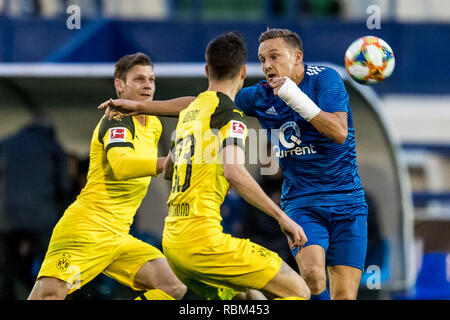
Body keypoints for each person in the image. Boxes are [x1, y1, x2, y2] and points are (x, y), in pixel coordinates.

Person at [98, 28, 368, 300]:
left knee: (343, 294)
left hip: (348, 200)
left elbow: (338, 132)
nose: (267, 66)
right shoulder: (260, 95)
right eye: (262, 60)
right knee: (310, 276)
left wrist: (294, 98)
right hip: (302, 200)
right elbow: (203, 103)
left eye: (274, 57)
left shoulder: (325, 79)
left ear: (297, 56)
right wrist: (142, 107)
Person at [163, 31, 311, 300]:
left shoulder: (189, 113)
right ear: (243, 72)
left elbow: (169, 171)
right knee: (298, 290)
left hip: (173, 245)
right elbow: (234, 172)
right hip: (204, 244)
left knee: (249, 297)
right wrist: (282, 217)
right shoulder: (230, 115)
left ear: (207, 70)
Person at [28, 52, 187, 300]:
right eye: (139, 79)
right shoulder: (117, 119)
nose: (147, 85)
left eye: (152, 79)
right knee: (49, 296)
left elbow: (198, 105)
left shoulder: (153, 123)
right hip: (87, 228)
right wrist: (166, 162)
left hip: (118, 235)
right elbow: (122, 167)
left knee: (172, 287)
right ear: (119, 85)